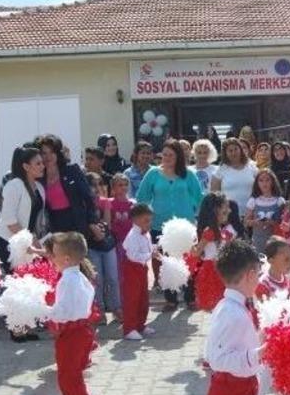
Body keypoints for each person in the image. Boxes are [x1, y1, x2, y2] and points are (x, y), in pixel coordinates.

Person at [205, 239, 263, 395]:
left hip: (239, 389)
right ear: (250, 274)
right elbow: (216, 359)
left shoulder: (232, 306)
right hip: (232, 393)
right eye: (259, 275)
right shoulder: (231, 312)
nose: (259, 280)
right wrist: (262, 352)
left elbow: (240, 343)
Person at [47, 232, 98, 395]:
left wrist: (43, 310)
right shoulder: (79, 277)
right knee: (72, 373)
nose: (51, 258)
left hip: (71, 332)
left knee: (68, 376)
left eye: (54, 254)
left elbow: (63, 312)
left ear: (66, 259)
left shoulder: (67, 280)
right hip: (81, 331)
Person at [254, 235, 290, 395]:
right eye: (286, 258)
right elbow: (263, 308)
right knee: (268, 366)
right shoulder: (263, 282)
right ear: (270, 260)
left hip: (282, 328)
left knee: (284, 362)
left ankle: (284, 390)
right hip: (268, 330)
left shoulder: (285, 278)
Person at [38, 135, 102, 241]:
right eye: (44, 153)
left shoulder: (72, 171)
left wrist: (92, 222)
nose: (48, 156)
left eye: (52, 152)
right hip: (53, 226)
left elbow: (88, 197)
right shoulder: (39, 177)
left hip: (76, 223)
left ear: (58, 153)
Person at [136, 139, 204, 237]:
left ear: (178, 156)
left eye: (171, 155)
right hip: (158, 226)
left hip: (185, 227)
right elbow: (142, 198)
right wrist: (145, 219)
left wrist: (194, 212)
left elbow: (198, 198)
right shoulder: (153, 173)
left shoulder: (189, 174)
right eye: (165, 155)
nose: (167, 158)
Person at [0, 146, 47, 269]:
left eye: (42, 163)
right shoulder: (14, 185)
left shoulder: (40, 187)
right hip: (8, 240)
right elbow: (9, 220)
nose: (43, 166)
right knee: (14, 280)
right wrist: (31, 239)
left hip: (26, 241)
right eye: (38, 163)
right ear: (26, 167)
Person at [188, 192, 238, 312]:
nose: (229, 210)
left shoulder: (219, 229)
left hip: (222, 269)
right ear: (216, 210)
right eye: (225, 207)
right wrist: (186, 244)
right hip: (213, 272)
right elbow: (196, 253)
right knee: (218, 306)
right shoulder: (209, 231)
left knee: (222, 305)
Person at [84, 173, 121, 323]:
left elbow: (107, 225)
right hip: (92, 245)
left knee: (112, 277)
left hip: (106, 243)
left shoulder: (105, 202)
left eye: (100, 184)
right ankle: (99, 310)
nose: (98, 188)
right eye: (94, 185)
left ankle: (116, 308)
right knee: (96, 278)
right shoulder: (83, 204)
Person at [121, 203, 156, 341]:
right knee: (132, 299)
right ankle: (129, 328)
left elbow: (146, 250)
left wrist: (153, 250)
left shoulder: (145, 234)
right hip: (132, 269)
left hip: (142, 269)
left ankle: (140, 325)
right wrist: (149, 255)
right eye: (146, 220)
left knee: (143, 298)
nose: (149, 223)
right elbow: (133, 256)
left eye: (150, 220)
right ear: (135, 220)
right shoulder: (132, 236)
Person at [211, 138, 258, 218]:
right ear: (225, 153)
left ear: (240, 150)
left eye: (236, 149)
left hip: (251, 215)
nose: (233, 153)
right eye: (230, 150)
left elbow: (259, 189)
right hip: (229, 215)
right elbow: (215, 195)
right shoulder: (221, 170)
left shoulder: (252, 167)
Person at [245, 170, 285, 254]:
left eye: (267, 180)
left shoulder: (279, 201)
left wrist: (272, 222)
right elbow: (246, 222)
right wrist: (255, 222)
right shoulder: (253, 201)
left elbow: (283, 222)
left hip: (276, 241)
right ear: (257, 183)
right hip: (258, 241)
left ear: (273, 182)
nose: (264, 183)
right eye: (261, 180)